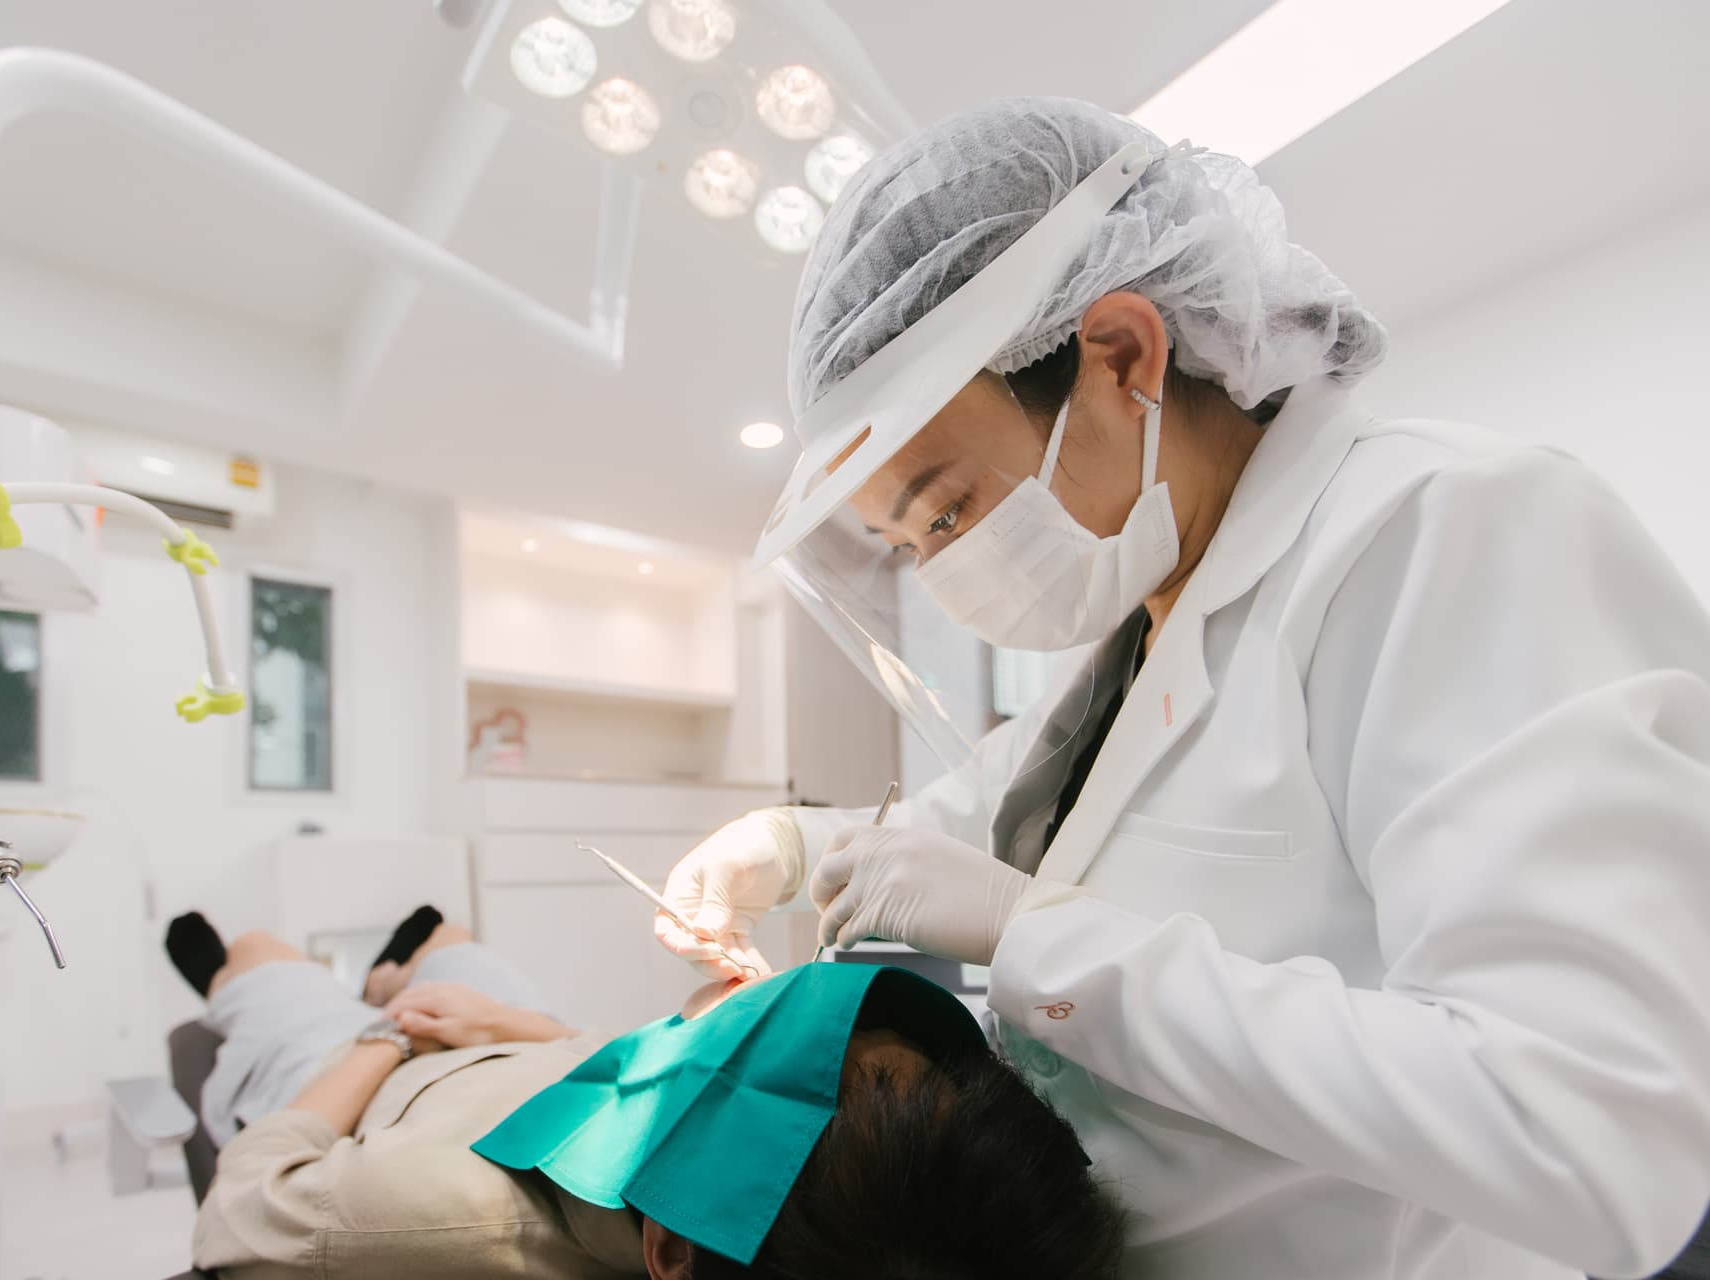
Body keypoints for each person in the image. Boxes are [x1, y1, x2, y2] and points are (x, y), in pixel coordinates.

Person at [655, 96, 1710, 1280]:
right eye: (911, 544)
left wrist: (1042, 939)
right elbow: (978, 823)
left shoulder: (1446, 530)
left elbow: (1599, 1130)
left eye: (946, 508)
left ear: (1120, 356)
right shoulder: (1137, 635)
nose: (946, 567)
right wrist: (788, 845)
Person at [165, 907, 1126, 1279]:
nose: (756, 1011)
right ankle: (402, 968)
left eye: (765, 1054)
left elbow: (242, 1199)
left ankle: (354, 985)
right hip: (533, 1045)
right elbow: (644, 1072)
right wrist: (519, 1031)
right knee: (450, 935)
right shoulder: (756, 1189)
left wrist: (387, 1036)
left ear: (669, 1244)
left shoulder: (421, 1213)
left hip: (376, 1074)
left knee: (258, 953)